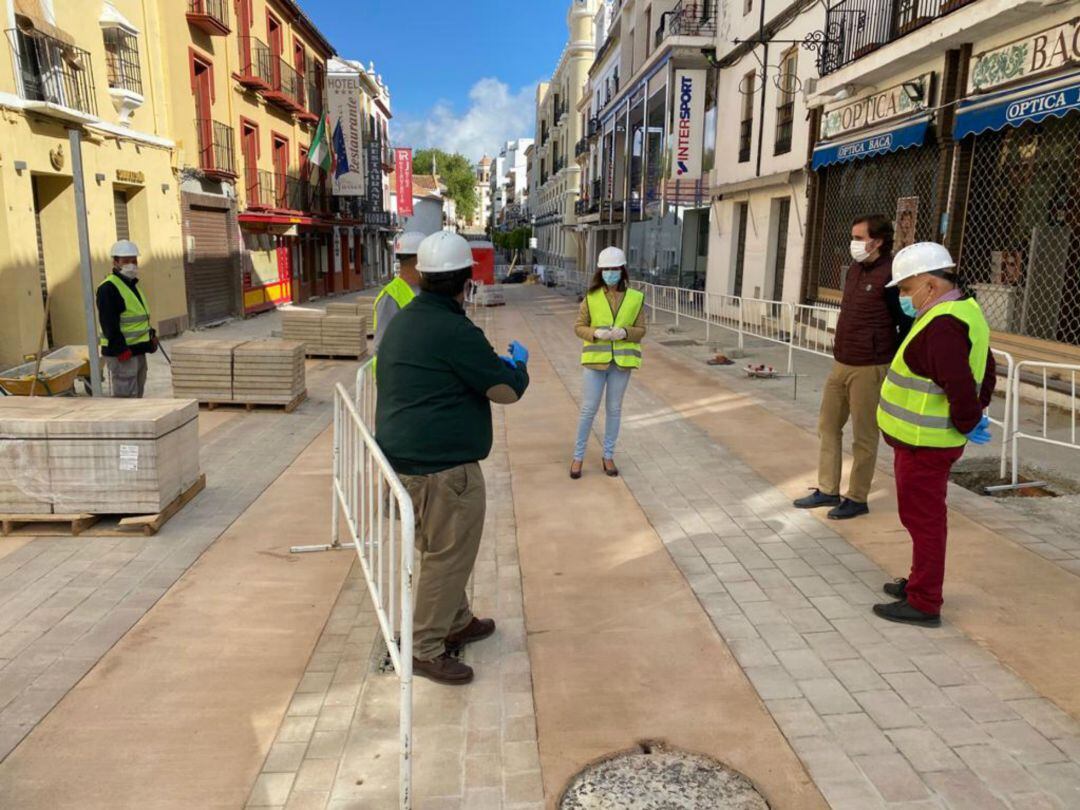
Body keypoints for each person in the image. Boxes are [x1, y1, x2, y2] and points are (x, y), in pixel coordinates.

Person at [375, 231, 530, 685]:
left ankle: (457, 618)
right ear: (466, 280)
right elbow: (505, 391)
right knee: (448, 556)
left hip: (404, 461)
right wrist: (518, 366)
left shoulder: (406, 319)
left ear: (421, 277)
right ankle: (424, 648)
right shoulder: (455, 330)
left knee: (444, 551)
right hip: (444, 470)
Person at [873, 243, 995, 626]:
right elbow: (985, 364)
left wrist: (968, 419)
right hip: (926, 443)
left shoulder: (941, 324)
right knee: (922, 518)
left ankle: (924, 601)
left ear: (929, 283)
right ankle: (919, 583)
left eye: (907, 289)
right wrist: (976, 413)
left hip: (924, 444)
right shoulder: (964, 310)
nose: (905, 298)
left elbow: (959, 381)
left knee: (923, 520)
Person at [794, 214, 912, 519]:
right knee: (828, 426)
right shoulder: (856, 271)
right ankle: (827, 490)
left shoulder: (891, 275)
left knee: (864, 435)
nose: (854, 244)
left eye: (859, 238)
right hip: (842, 361)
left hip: (870, 367)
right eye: (854, 237)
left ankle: (857, 497)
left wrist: (888, 359)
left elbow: (905, 324)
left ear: (877, 241)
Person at [570, 246, 646, 480]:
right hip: (596, 362)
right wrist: (596, 334)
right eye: (606, 269)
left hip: (621, 363)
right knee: (588, 409)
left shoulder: (635, 298)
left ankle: (608, 455)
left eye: (614, 269)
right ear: (600, 271)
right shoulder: (591, 297)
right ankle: (578, 456)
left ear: (622, 270)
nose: (610, 273)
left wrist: (624, 332)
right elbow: (578, 326)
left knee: (614, 410)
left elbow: (641, 330)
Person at [96, 240, 157, 398]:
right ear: (115, 262)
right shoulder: (108, 288)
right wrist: (120, 349)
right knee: (126, 400)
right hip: (123, 354)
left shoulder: (132, 285)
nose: (132, 265)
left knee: (137, 397)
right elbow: (109, 324)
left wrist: (150, 338)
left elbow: (136, 319)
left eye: (134, 260)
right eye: (126, 261)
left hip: (137, 351)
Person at [372, 231, 425, 358]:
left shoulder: (425, 289)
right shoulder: (390, 297)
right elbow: (383, 346)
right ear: (419, 259)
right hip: (400, 373)